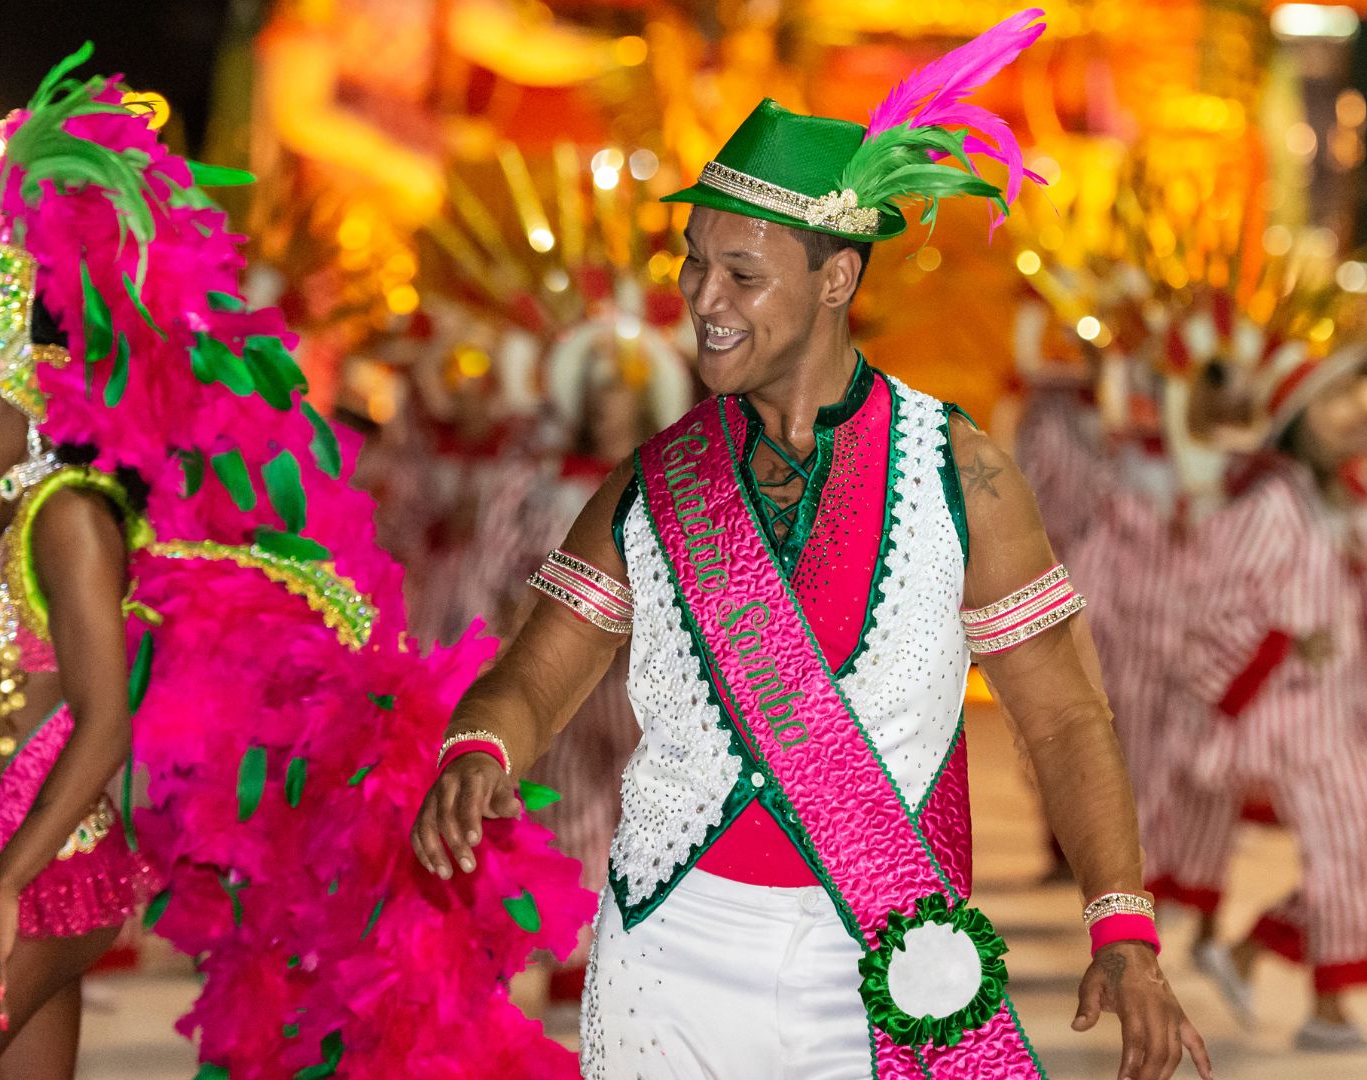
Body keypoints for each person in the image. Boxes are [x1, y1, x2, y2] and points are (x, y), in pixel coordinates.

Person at [0, 48, 589, 1079]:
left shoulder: (66, 517)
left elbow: (100, 715)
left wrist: (7, 884)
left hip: (38, 878)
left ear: (30, 389)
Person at [412, 12, 1213, 1079]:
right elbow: (533, 680)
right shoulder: (652, 485)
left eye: (742, 275)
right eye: (694, 265)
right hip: (669, 960)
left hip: (884, 974)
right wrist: (477, 753)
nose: (702, 300)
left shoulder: (958, 471)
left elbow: (1065, 713)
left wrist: (1122, 927)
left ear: (836, 279)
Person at [1168, 332, 1367, 1051]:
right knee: (1345, 848)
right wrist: (1282, 641)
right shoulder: (1272, 505)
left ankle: (1245, 954)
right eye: (1331, 400)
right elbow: (1212, 608)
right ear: (1298, 420)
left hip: (1342, 708)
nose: (1349, 412)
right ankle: (1328, 1009)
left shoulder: (1345, 499)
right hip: (1290, 711)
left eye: (1350, 397)